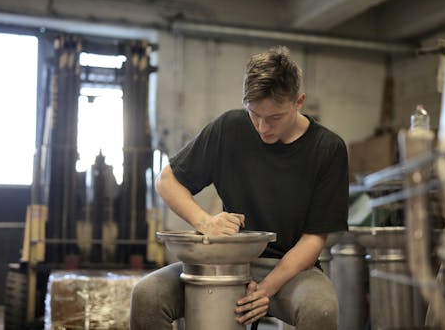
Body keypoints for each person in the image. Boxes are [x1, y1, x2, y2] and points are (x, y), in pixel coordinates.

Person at [130, 46, 349, 330]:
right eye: (254, 114)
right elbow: (166, 180)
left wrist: (265, 289)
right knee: (147, 296)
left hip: (290, 268)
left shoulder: (328, 149)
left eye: (274, 118)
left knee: (320, 309)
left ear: (299, 101)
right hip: (224, 260)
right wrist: (205, 222)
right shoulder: (229, 129)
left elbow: (313, 240)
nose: (262, 127)